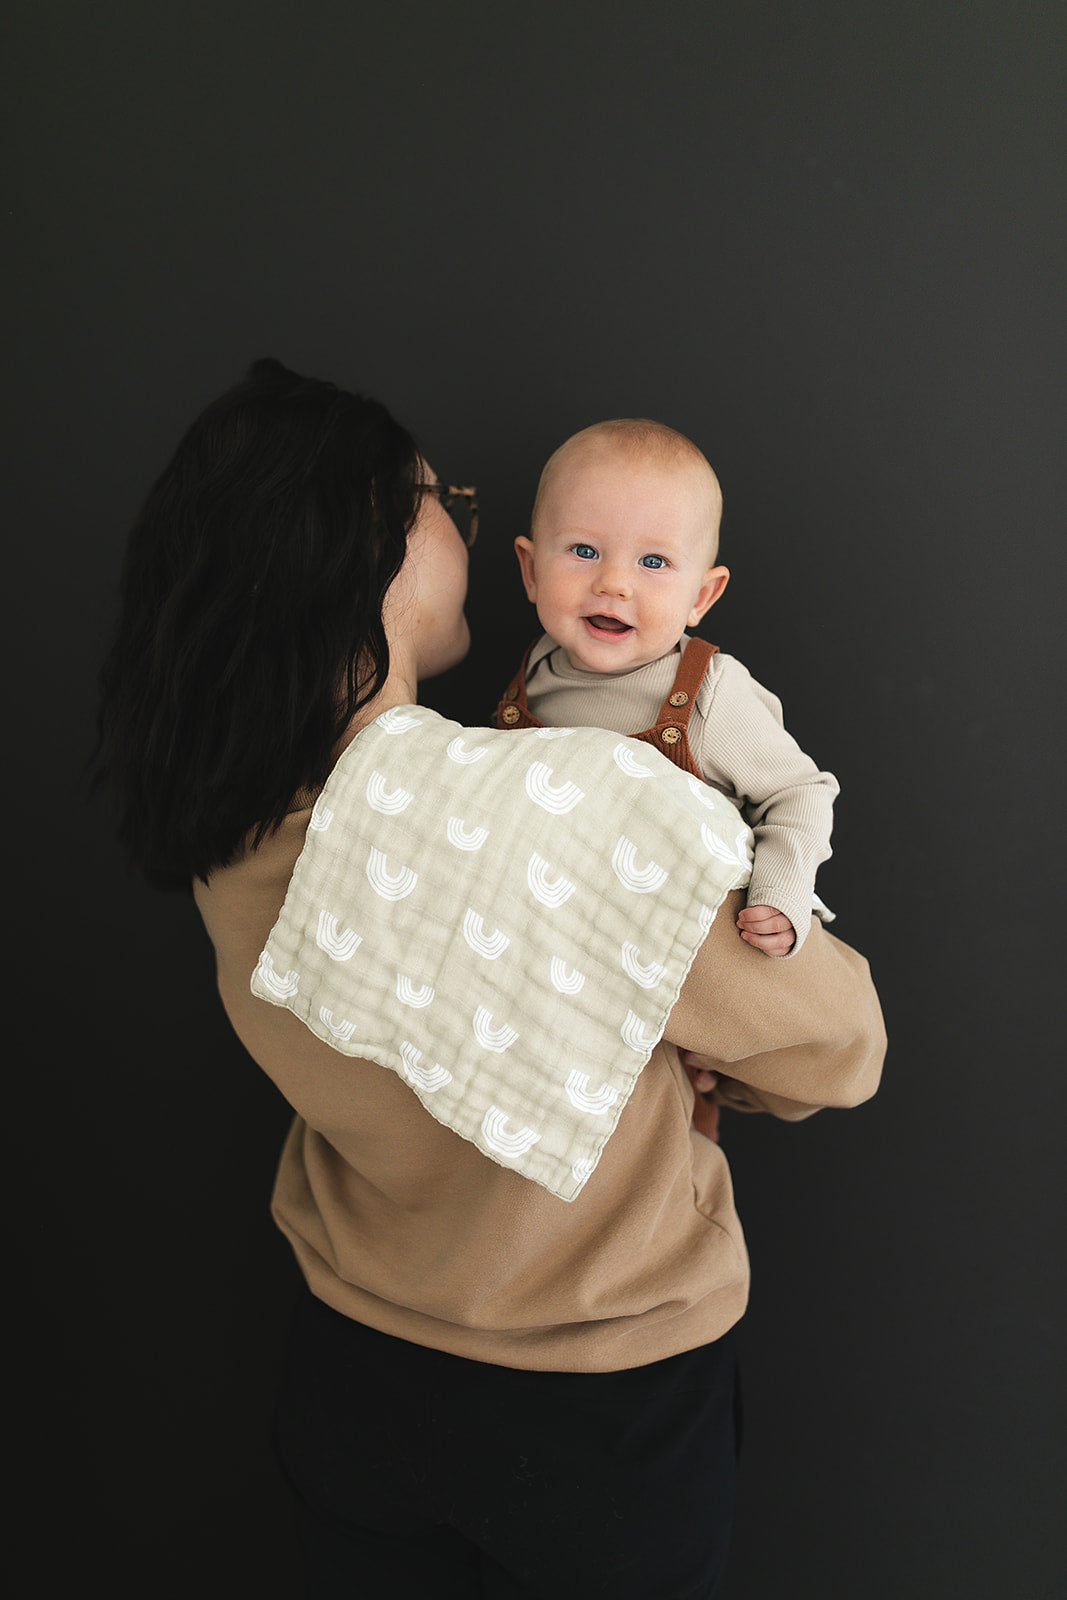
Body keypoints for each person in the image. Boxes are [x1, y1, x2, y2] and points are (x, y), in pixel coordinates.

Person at [93, 359, 885, 1599]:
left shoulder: (232, 823)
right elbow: (842, 1046)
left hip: (351, 1373)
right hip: (595, 1410)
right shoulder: (571, 806)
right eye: (433, 499)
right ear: (370, 543)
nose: (457, 521)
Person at [497, 419, 838, 960]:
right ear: (531, 568)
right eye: (583, 550)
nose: (613, 582)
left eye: (653, 562)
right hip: (570, 945)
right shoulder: (535, 673)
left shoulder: (708, 692)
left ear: (701, 596)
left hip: (687, 947)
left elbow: (799, 793)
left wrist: (781, 893)